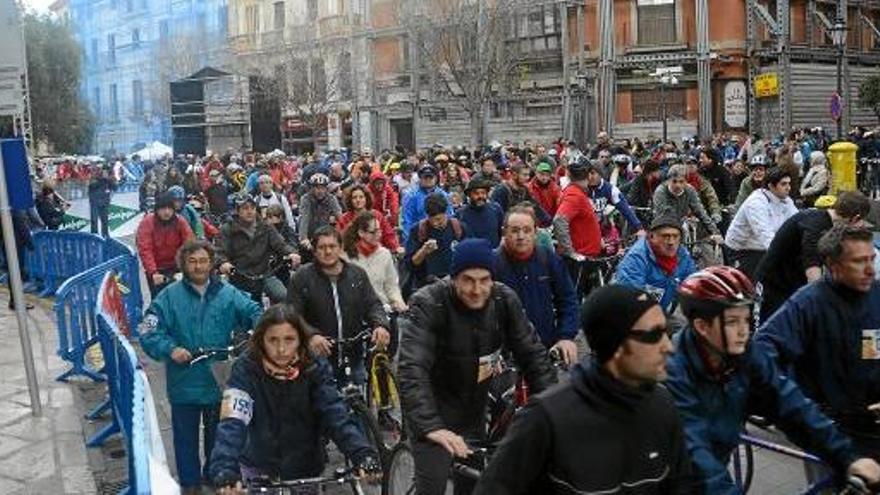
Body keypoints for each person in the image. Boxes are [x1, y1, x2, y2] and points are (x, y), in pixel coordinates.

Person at [665, 265, 880, 493]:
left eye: (746, 320)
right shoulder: (673, 373)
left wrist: (848, 458)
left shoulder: (746, 355)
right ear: (702, 326)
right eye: (731, 322)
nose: (743, 331)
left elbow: (789, 403)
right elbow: (696, 457)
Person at [475, 284, 690, 494]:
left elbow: (681, 485)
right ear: (616, 346)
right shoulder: (546, 418)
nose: (668, 347)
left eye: (667, 332)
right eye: (654, 335)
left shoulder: (662, 405)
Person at [398, 238, 557, 495]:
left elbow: (533, 355)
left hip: (473, 410)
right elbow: (412, 368)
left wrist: (555, 412)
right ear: (453, 278)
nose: (477, 289)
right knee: (433, 487)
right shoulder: (429, 303)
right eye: (468, 280)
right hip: (432, 411)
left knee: (475, 486)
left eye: (484, 280)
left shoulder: (504, 299)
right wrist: (431, 427)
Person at [209, 305, 380, 494]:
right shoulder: (246, 368)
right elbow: (233, 421)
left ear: (300, 339)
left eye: (289, 340)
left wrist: (361, 453)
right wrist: (225, 468)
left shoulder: (314, 366)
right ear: (261, 340)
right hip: (259, 463)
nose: (281, 349)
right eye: (272, 340)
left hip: (304, 464)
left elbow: (334, 412)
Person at [139, 240, 262, 494]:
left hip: (219, 380)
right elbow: (147, 330)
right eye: (192, 261)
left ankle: (217, 477)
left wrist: (263, 333)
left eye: (203, 260)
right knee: (185, 439)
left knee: (221, 436)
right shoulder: (168, 296)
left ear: (212, 263)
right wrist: (170, 348)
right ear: (183, 264)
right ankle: (190, 484)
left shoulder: (227, 293)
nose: (198, 266)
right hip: (184, 381)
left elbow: (254, 311)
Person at [755, 224, 880, 459]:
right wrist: (792, 404)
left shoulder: (877, 295)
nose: (870, 270)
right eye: (859, 261)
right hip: (833, 430)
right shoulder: (808, 303)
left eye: (871, 259)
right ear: (833, 266)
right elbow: (762, 351)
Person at [287, 226, 390, 384]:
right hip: (319, 356)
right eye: (322, 247)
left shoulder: (357, 274)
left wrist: (380, 324)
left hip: (354, 353)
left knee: (359, 400)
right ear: (314, 251)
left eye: (332, 246)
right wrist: (311, 335)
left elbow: (372, 304)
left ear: (341, 248)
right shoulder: (301, 278)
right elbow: (293, 315)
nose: (327, 252)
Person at [754, 190, 870, 322]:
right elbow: (812, 268)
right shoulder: (816, 226)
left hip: (791, 286)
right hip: (772, 289)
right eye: (860, 224)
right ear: (855, 218)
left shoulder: (826, 223)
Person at [493, 206, 579, 365]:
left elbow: (567, 299)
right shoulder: (491, 264)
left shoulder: (548, 259)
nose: (521, 236)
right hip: (504, 355)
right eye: (515, 230)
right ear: (504, 232)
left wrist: (566, 336)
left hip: (544, 348)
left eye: (527, 230)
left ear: (535, 232)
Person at [217, 195, 300, 304]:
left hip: (264, 274)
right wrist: (224, 263)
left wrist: (292, 253)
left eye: (252, 207)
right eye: (245, 208)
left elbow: (281, 245)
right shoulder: (227, 229)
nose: (250, 211)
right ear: (237, 211)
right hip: (240, 277)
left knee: (284, 296)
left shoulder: (266, 226)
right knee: (246, 309)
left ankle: (279, 319)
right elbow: (220, 252)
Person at [615, 211, 697, 314]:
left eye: (675, 236)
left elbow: (693, 286)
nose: (671, 242)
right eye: (665, 236)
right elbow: (632, 302)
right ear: (651, 237)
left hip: (659, 311)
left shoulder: (682, 254)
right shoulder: (636, 259)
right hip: (631, 315)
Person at [724, 167, 798, 280]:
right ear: (771, 186)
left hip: (762, 247)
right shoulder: (756, 203)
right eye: (783, 184)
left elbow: (797, 222)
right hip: (742, 250)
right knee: (754, 287)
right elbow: (765, 235)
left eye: (789, 183)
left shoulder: (786, 200)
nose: (788, 188)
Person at [342, 210, 407, 314]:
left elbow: (391, 287)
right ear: (361, 233)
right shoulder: (346, 257)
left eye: (379, 231)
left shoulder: (385, 254)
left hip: (383, 310)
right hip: (355, 312)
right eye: (373, 232)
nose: (379, 235)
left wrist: (398, 302)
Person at [404, 192, 468, 289]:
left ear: (446, 213)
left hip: (454, 283)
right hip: (426, 285)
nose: (435, 223)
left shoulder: (458, 227)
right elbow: (410, 264)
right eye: (432, 219)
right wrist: (424, 251)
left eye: (439, 219)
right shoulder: (418, 230)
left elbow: (469, 258)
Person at [136, 192, 195, 298]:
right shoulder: (147, 222)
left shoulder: (180, 221)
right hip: (157, 269)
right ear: (157, 210)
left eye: (169, 208)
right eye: (163, 209)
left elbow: (189, 244)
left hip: (176, 267)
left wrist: (186, 266)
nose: (166, 212)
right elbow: (145, 249)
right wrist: (153, 272)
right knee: (159, 300)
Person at [652, 164, 722, 244]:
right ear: (668, 180)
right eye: (674, 181)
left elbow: (700, 211)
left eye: (681, 181)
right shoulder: (660, 192)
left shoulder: (689, 190)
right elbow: (664, 215)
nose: (678, 185)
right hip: (662, 227)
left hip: (679, 227)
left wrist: (715, 231)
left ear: (686, 181)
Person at [552, 157, 603, 262]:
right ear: (588, 175)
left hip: (586, 255)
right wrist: (570, 252)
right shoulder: (574, 195)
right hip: (582, 259)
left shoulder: (576, 192)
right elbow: (559, 220)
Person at [336, 184, 401, 254]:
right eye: (354, 197)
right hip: (353, 255)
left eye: (361, 197)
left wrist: (395, 247)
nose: (358, 200)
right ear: (350, 200)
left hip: (376, 253)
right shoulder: (344, 218)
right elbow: (338, 238)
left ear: (366, 198)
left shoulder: (377, 215)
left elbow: (388, 234)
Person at [584, 161, 644, 234]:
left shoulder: (610, 189)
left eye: (593, 173)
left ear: (600, 174)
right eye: (587, 174)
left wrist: (639, 227)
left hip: (602, 229)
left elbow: (625, 209)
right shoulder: (582, 188)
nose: (590, 177)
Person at [400, 165, 452, 244]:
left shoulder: (444, 195)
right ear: (420, 178)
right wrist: (408, 242)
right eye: (425, 177)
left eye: (430, 177)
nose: (428, 180)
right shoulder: (411, 196)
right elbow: (407, 221)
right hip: (419, 237)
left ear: (436, 178)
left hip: (441, 235)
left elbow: (449, 215)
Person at [297, 173, 343, 254]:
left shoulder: (331, 199)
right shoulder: (305, 199)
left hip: (325, 235)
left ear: (326, 188)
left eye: (323, 188)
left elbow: (340, 216)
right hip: (310, 234)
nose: (320, 191)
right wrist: (304, 238)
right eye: (317, 188)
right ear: (311, 188)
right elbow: (304, 218)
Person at [455, 178, 504, 247]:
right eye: (476, 193)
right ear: (469, 195)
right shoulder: (460, 214)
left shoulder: (496, 209)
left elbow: (501, 232)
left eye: (483, 193)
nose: (480, 196)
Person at [87, 164, 115, 237]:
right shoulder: (92, 177)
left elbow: (114, 187)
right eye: (99, 169)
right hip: (94, 202)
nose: (100, 171)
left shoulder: (107, 179)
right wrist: (102, 179)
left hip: (104, 202)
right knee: (94, 221)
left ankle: (105, 235)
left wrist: (110, 179)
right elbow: (92, 186)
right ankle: (94, 236)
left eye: (101, 169)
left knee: (105, 221)